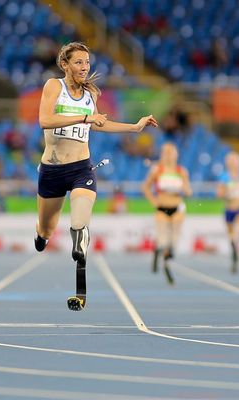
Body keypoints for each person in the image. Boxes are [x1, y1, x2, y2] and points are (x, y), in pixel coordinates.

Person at [35, 42, 158, 311]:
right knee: (46, 229)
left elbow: (100, 123)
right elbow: (45, 120)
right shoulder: (54, 87)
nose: (84, 67)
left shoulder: (90, 93)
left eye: (87, 62)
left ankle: (80, 289)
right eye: (78, 62)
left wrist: (134, 127)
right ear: (65, 65)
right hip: (53, 171)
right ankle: (42, 236)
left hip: (81, 169)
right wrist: (84, 118)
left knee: (80, 223)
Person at [142, 142, 192, 285]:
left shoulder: (181, 171)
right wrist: (154, 201)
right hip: (162, 208)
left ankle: (166, 259)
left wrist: (185, 189)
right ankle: (159, 252)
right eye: (166, 152)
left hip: (177, 208)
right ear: (162, 154)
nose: (169, 155)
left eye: (172, 152)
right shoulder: (157, 170)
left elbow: (188, 191)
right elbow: (145, 187)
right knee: (163, 240)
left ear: (176, 154)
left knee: (174, 241)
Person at [216, 151, 239, 274]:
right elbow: (219, 194)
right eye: (231, 161)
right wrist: (227, 193)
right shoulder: (224, 177)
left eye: (236, 161)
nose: (234, 164)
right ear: (228, 163)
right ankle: (234, 254)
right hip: (229, 210)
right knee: (232, 237)